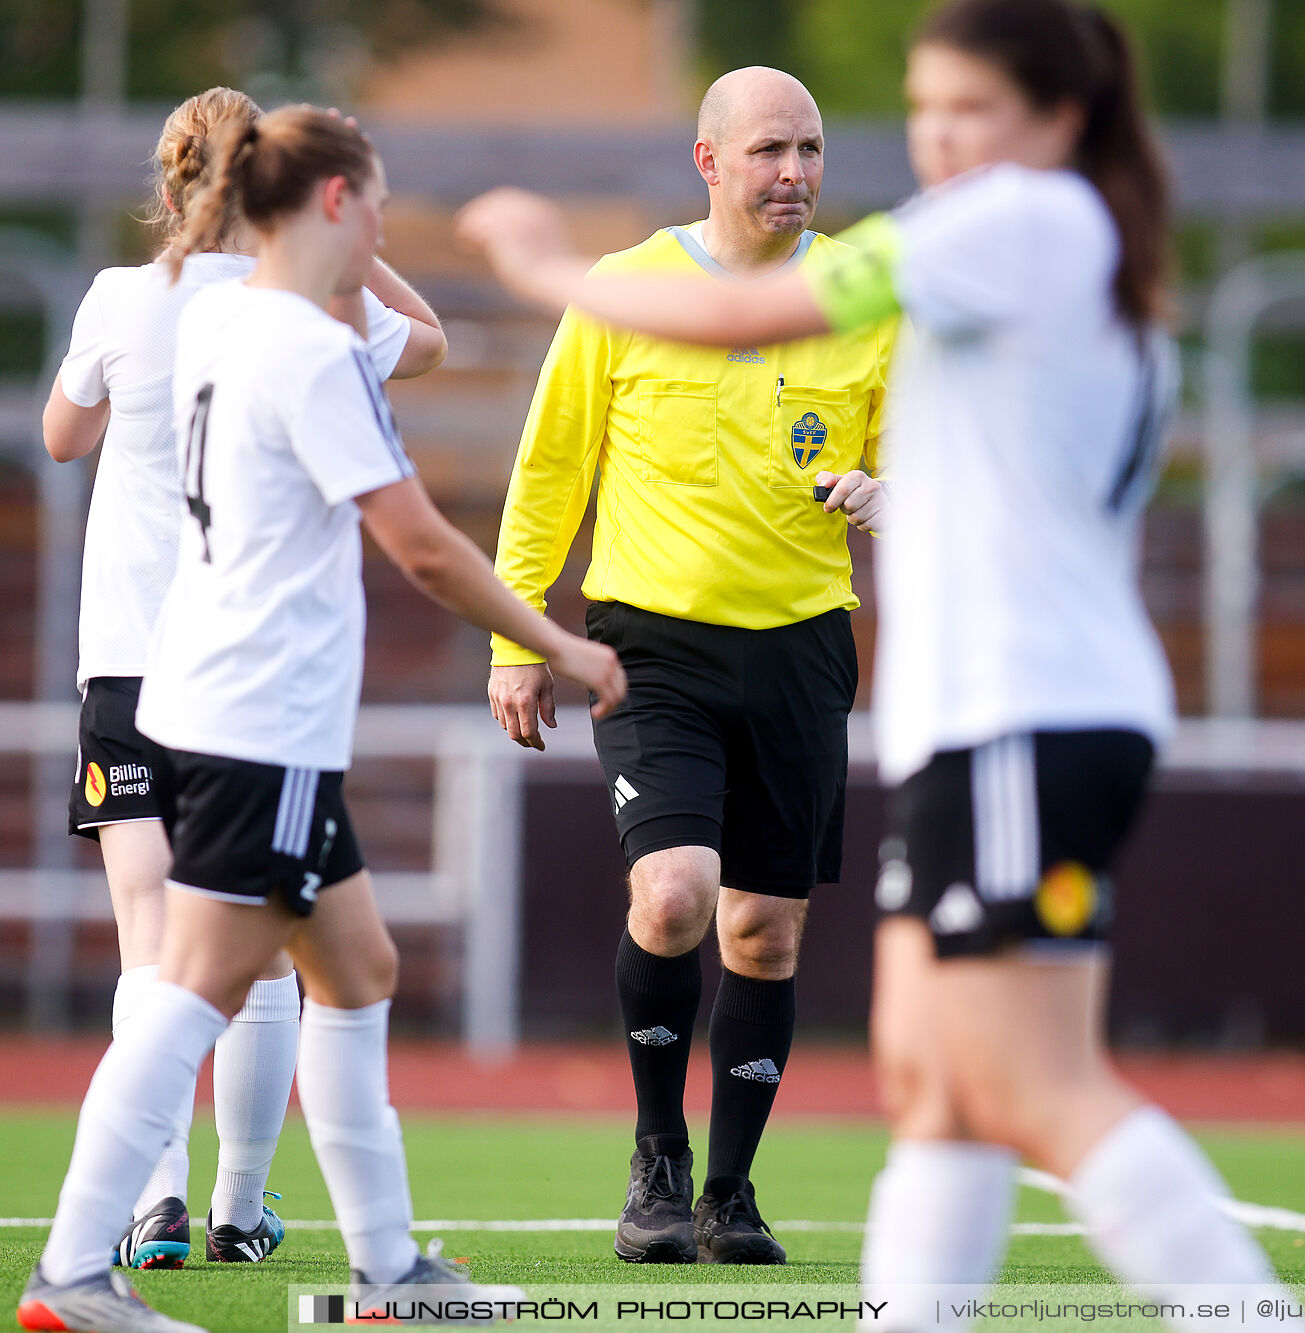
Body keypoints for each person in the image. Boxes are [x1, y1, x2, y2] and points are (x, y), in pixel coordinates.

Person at [458, 0, 1305, 1326]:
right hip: (967, 711)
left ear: (1059, 118)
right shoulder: (1036, 242)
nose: (934, 139)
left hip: (1029, 709)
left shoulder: (1015, 224)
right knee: (933, 1076)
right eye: (923, 111)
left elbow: (750, 321)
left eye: (969, 108)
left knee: (1033, 1084)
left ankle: (1259, 1316)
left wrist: (537, 266)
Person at [17, 106, 625, 1333]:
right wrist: (559, 640)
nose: (391, 224)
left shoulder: (215, 316)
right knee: (194, 989)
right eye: (380, 202)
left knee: (357, 969)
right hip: (262, 719)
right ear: (334, 205)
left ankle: (389, 1273)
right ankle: (76, 1272)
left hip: (213, 700)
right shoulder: (302, 343)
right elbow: (421, 543)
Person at [485, 67, 891, 1264]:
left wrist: (890, 492)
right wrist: (520, 638)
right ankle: (656, 1156)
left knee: (763, 931)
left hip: (805, 646)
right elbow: (549, 472)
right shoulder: (625, 290)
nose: (797, 174)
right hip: (648, 644)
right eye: (771, 150)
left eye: (812, 149)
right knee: (672, 894)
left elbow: (937, 467)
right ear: (709, 162)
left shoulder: (863, 298)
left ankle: (730, 1190)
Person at [40, 87, 449, 1274]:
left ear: (169, 189)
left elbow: (66, 437)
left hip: (126, 653)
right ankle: (239, 1203)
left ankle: (148, 1210)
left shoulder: (126, 298)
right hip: (243, 672)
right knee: (269, 953)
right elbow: (429, 344)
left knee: (149, 937)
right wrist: (363, 252)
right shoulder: (307, 309)